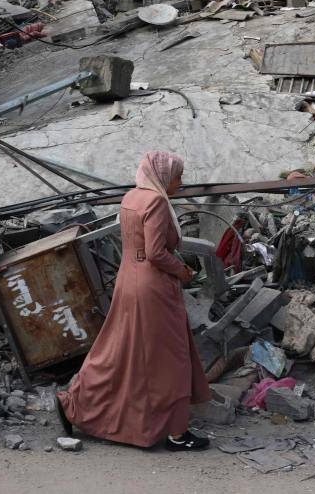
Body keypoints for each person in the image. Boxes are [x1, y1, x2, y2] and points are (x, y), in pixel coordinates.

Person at [56, 151, 212, 451]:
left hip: (128, 281)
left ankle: (73, 403)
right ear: (163, 176)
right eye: (178, 176)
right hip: (152, 288)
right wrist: (183, 271)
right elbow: (155, 252)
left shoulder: (131, 197)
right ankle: (177, 434)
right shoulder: (156, 202)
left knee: (120, 354)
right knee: (171, 360)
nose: (180, 182)